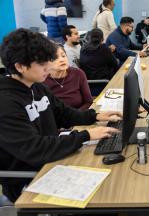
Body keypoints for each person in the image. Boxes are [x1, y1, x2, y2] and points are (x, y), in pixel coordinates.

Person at [0, 28, 121, 202]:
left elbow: (63, 114)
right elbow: (35, 148)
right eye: (42, 64)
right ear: (20, 66)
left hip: (51, 161)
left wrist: (96, 116)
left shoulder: (36, 86)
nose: (48, 67)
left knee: (109, 182)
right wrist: (85, 135)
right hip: (28, 179)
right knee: (101, 197)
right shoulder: (6, 103)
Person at [43, 44, 93, 110]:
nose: (62, 60)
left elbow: (88, 102)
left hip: (80, 116)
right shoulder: (41, 80)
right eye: (54, 58)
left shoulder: (78, 73)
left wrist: (77, 116)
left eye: (63, 56)